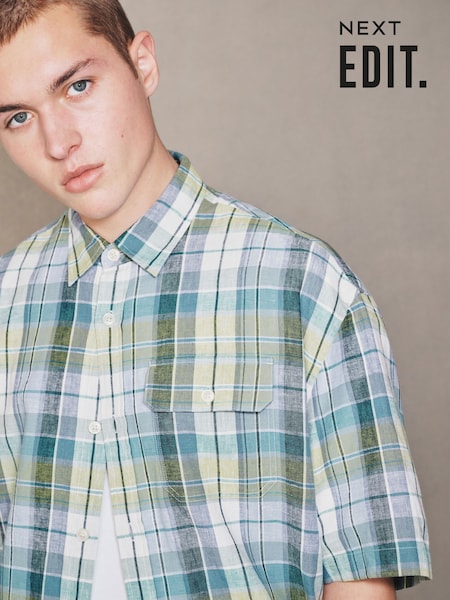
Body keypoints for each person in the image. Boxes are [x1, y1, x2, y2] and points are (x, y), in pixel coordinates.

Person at [0, 1, 431, 599]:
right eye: (19, 118)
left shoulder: (305, 284)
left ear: (143, 64)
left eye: (78, 86)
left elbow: (361, 576)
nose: (58, 142)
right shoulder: (6, 297)